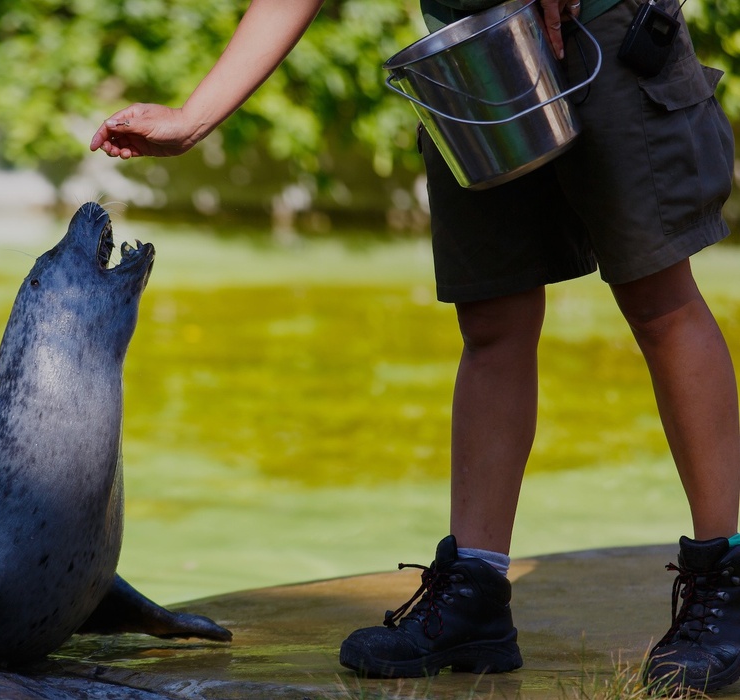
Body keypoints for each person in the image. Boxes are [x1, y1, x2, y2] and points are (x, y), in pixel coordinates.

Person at [89, 0, 739, 693]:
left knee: (656, 299)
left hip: (604, 25)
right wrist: (195, 116)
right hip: (475, 52)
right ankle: (476, 591)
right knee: (490, 316)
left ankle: (723, 579)